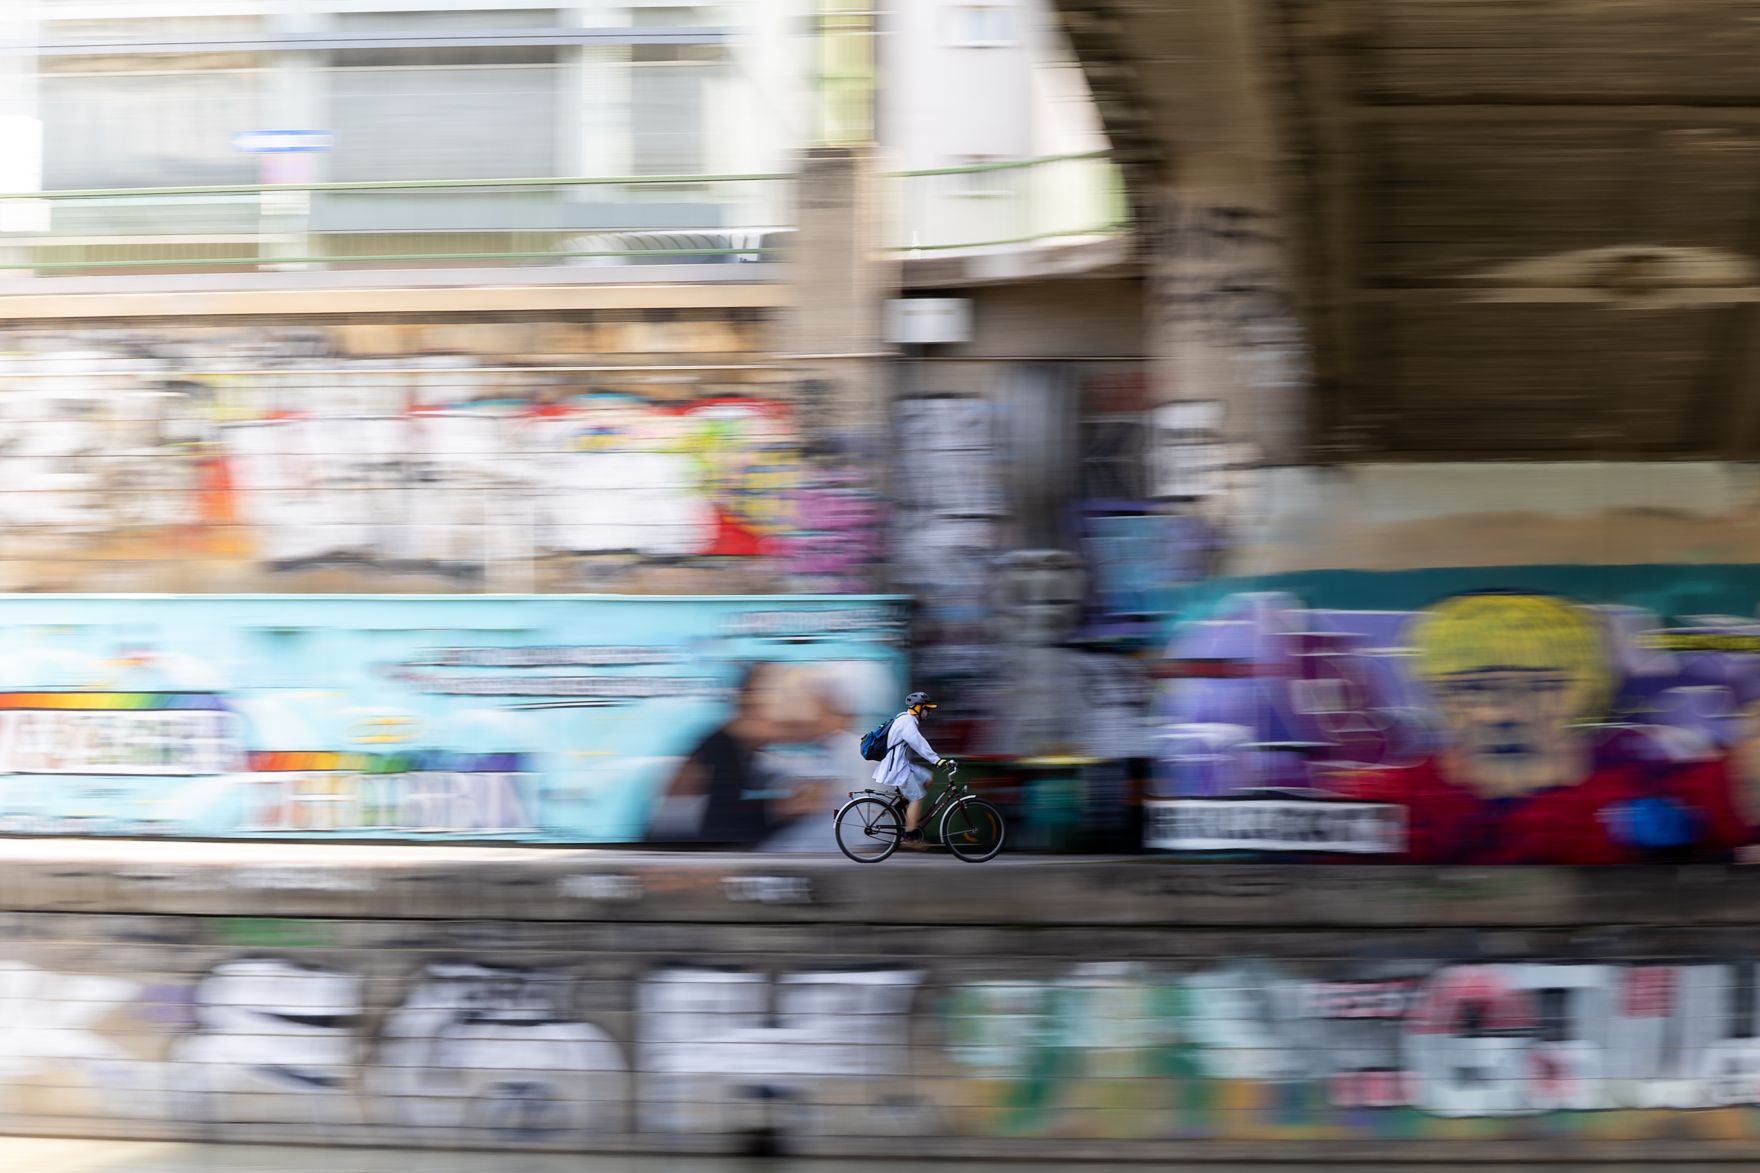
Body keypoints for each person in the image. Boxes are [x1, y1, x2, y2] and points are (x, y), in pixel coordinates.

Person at [874, 690, 953, 850]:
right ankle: (909, 837)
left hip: (902, 764)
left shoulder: (906, 719)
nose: (928, 712)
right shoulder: (907, 722)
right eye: (926, 708)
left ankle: (906, 805)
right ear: (917, 707)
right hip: (896, 768)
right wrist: (938, 760)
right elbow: (919, 744)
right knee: (918, 797)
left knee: (928, 778)